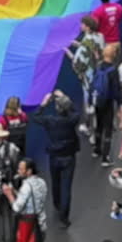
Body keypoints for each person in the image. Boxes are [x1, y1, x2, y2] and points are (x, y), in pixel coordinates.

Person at [31, 90, 79, 228]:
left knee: (56, 183)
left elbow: (35, 116)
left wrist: (44, 104)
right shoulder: (71, 120)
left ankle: (57, 205)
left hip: (54, 156)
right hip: (69, 156)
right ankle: (64, 217)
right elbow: (75, 112)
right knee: (66, 186)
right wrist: (65, 97)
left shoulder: (50, 121)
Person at [2, 157, 47, 242]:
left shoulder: (26, 186)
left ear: (29, 171)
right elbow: (31, 200)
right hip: (40, 222)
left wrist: (9, 195)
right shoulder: (42, 182)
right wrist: (14, 191)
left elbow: (17, 207)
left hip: (27, 225)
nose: (18, 171)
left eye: (21, 169)